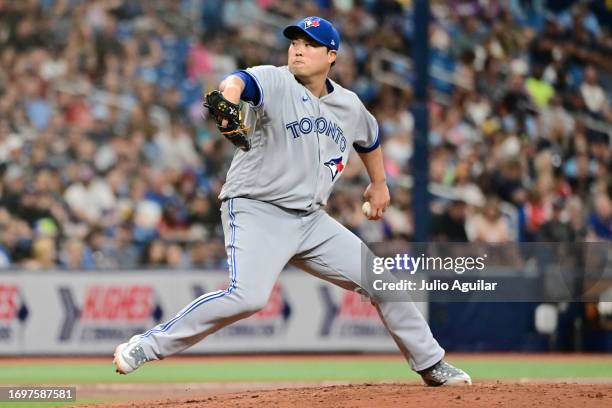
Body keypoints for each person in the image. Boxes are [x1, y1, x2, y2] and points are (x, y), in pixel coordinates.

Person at [113, 16, 471, 386]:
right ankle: (147, 344)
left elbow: (370, 137)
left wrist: (379, 184)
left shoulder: (348, 104)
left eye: (310, 44)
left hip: (311, 220)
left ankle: (431, 364)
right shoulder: (276, 80)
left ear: (331, 55)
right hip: (256, 208)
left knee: (382, 280)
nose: (298, 49)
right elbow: (237, 81)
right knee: (247, 298)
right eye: (294, 42)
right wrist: (229, 101)